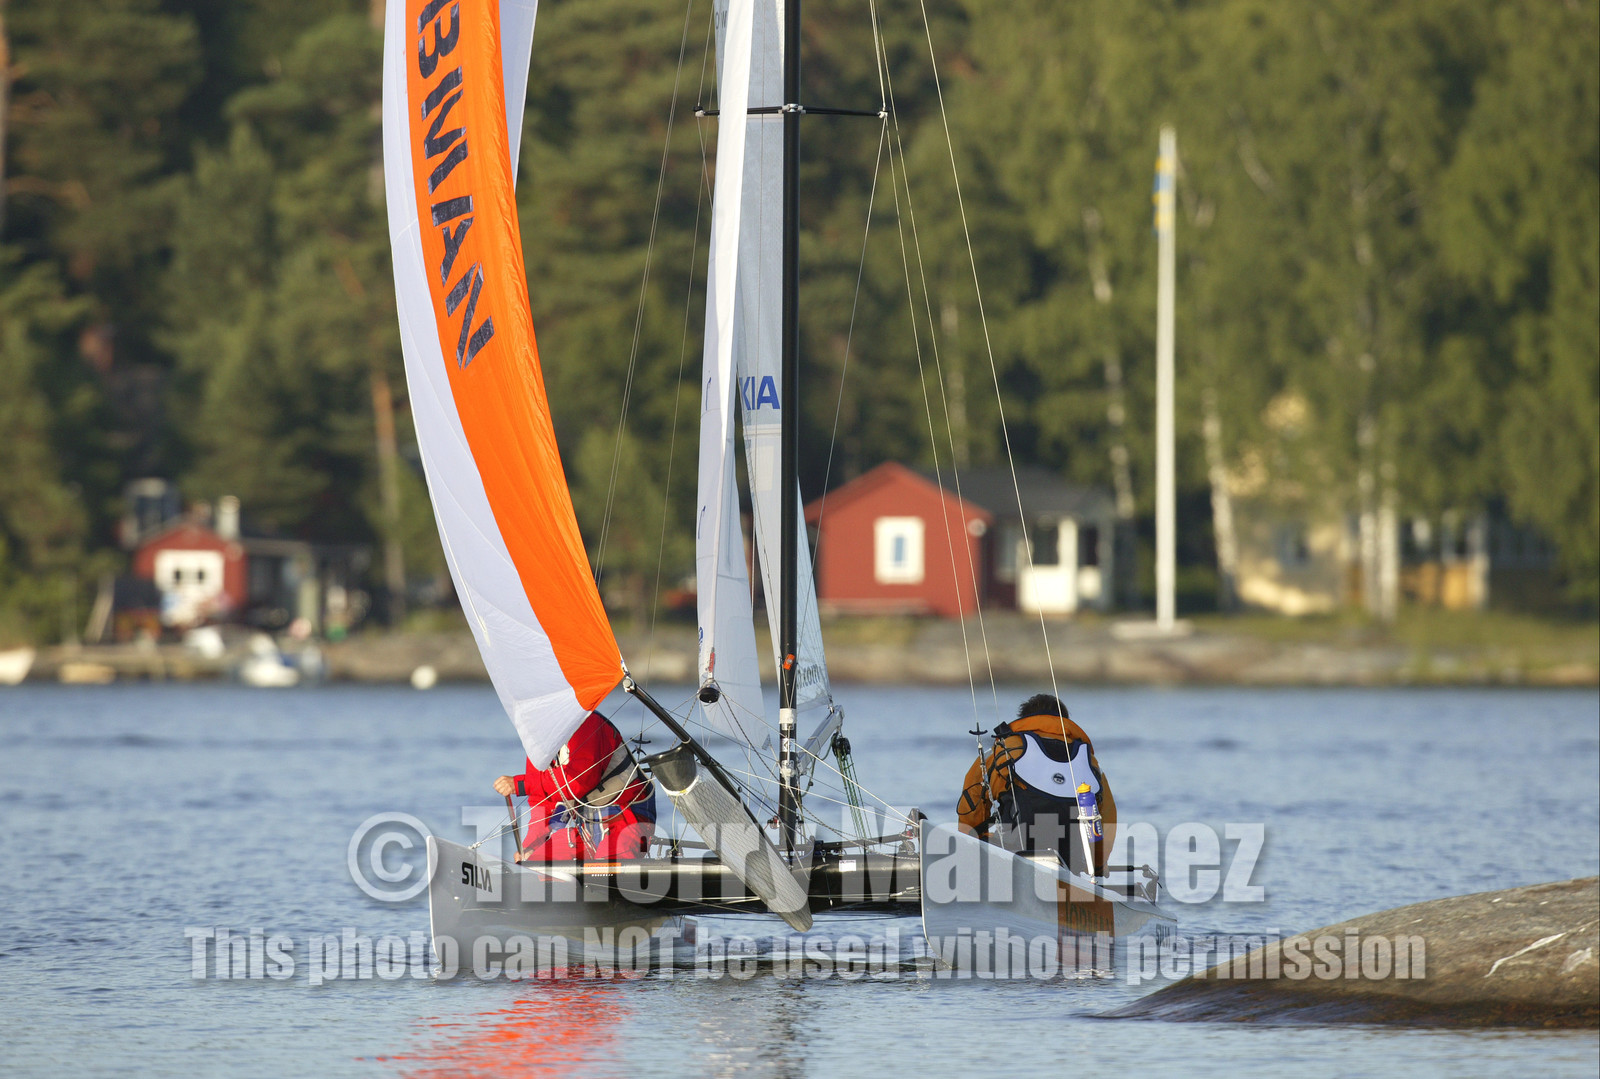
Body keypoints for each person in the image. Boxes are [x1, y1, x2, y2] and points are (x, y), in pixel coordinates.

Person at [956, 693, 1117, 875]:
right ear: (1065, 722)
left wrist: (969, 852)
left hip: (1013, 855)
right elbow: (1106, 819)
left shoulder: (1006, 749)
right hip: (1071, 863)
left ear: (1024, 719)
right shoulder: (1089, 761)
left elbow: (972, 806)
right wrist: (1097, 867)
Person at [493, 710, 656, 862]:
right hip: (587, 830)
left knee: (606, 866)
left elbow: (579, 781)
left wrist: (521, 784)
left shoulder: (587, 723)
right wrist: (530, 848)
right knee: (536, 860)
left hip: (628, 822)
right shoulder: (538, 746)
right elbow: (542, 805)